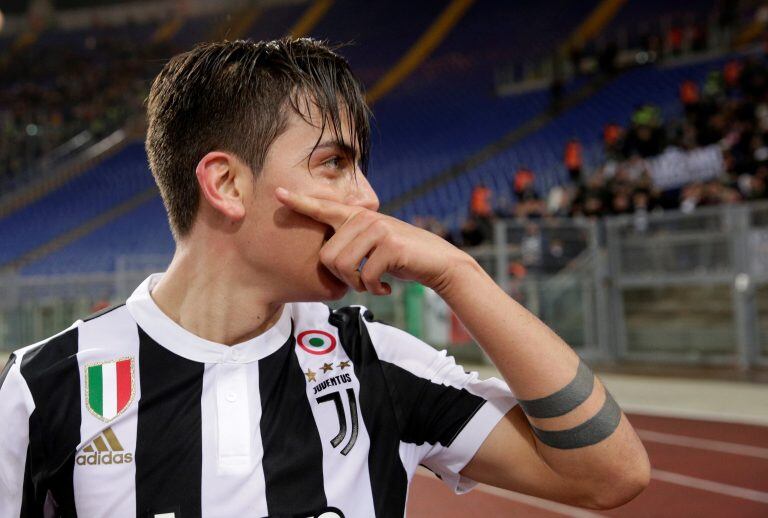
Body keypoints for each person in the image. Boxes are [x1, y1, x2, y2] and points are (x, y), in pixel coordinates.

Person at [0, 38, 649, 517]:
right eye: (333, 163)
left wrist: (460, 274)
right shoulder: (37, 391)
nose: (366, 198)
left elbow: (611, 477)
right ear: (226, 183)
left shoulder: (377, 364)